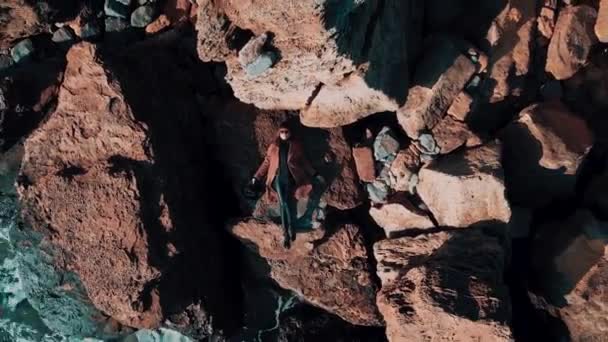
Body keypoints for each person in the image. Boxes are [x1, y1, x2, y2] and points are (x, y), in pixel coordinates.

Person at [250, 122, 323, 248]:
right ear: (279, 132)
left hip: (291, 179)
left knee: (287, 203)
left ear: (290, 133)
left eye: (286, 132)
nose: (284, 134)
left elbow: (304, 161)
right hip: (278, 179)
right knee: (283, 203)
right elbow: (266, 162)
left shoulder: (296, 145)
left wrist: (315, 173)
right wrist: (256, 176)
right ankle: (288, 232)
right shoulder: (274, 146)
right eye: (282, 132)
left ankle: (288, 231)